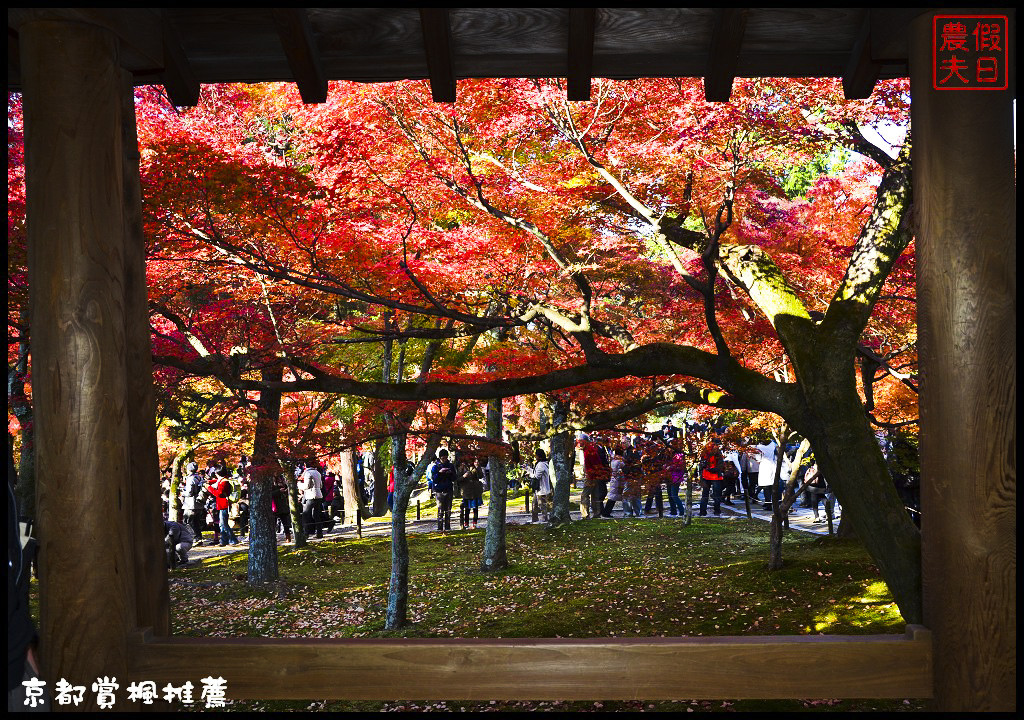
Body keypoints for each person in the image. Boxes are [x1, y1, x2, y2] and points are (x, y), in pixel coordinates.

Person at [428, 448, 457, 532]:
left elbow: (454, 478)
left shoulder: (450, 465)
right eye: (442, 458)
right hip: (439, 490)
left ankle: (448, 526)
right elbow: (434, 479)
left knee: (448, 509)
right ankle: (440, 527)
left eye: (445, 457)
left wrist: (450, 473)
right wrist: (440, 473)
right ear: (440, 458)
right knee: (440, 509)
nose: (444, 459)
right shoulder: (435, 467)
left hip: (448, 489)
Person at [208, 469, 239, 546]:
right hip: (221, 505)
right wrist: (208, 482)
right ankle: (224, 541)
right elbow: (215, 481)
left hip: (224, 504)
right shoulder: (222, 480)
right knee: (222, 524)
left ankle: (233, 539)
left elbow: (218, 493)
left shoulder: (224, 482)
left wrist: (209, 487)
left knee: (223, 524)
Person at [698, 436, 726, 517]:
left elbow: (701, 464)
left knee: (705, 494)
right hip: (714, 476)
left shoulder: (705, 452)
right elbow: (720, 465)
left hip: (706, 474)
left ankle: (703, 511)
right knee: (716, 495)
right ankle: (716, 511)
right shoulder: (716, 453)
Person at [299, 463, 324, 539]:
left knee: (306, 515)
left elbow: (307, 486)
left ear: (305, 465)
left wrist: (299, 485)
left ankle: (306, 533)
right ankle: (319, 533)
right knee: (316, 515)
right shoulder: (317, 472)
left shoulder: (308, 473)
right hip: (319, 495)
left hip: (311, 495)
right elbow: (321, 485)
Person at [531, 448, 553, 522]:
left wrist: (530, 474)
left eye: (536, 455)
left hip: (541, 489)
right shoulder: (543, 464)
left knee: (541, 505)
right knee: (534, 504)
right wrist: (528, 469)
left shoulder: (541, 465)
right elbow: (535, 472)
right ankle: (534, 519)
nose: (535, 457)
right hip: (539, 489)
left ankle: (545, 518)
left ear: (539, 456)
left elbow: (536, 476)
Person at [666, 441, 687, 516]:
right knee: (670, 495)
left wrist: (671, 467)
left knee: (674, 495)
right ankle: (673, 511)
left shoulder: (679, 455)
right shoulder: (668, 455)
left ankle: (681, 511)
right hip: (669, 476)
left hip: (676, 477)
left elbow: (681, 466)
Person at [271, 474, 293, 542]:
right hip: (275, 504)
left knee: (285, 521)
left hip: (282, 504)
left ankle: (288, 537)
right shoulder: (271, 482)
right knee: (273, 523)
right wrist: (279, 491)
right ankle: (273, 538)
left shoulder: (282, 479)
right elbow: (269, 494)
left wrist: (285, 491)